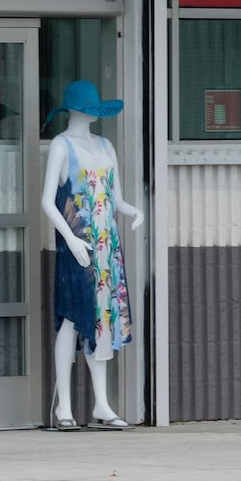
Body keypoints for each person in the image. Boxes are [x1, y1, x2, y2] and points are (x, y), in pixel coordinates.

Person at [40, 79, 143, 431]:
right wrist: (69, 239)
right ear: (76, 109)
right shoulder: (60, 145)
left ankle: (102, 403)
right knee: (72, 317)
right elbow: (47, 201)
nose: (94, 115)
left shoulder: (105, 145)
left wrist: (133, 211)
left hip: (107, 246)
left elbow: (115, 198)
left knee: (104, 318)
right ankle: (64, 406)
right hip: (78, 244)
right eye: (91, 108)